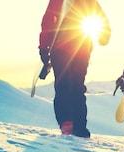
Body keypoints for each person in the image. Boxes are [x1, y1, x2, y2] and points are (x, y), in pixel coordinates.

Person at [39, 0, 111, 138]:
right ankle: (68, 123)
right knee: (65, 84)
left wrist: (104, 34)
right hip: (63, 47)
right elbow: (48, 21)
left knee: (76, 86)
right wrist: (43, 47)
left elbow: (101, 17)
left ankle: (79, 126)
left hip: (81, 48)